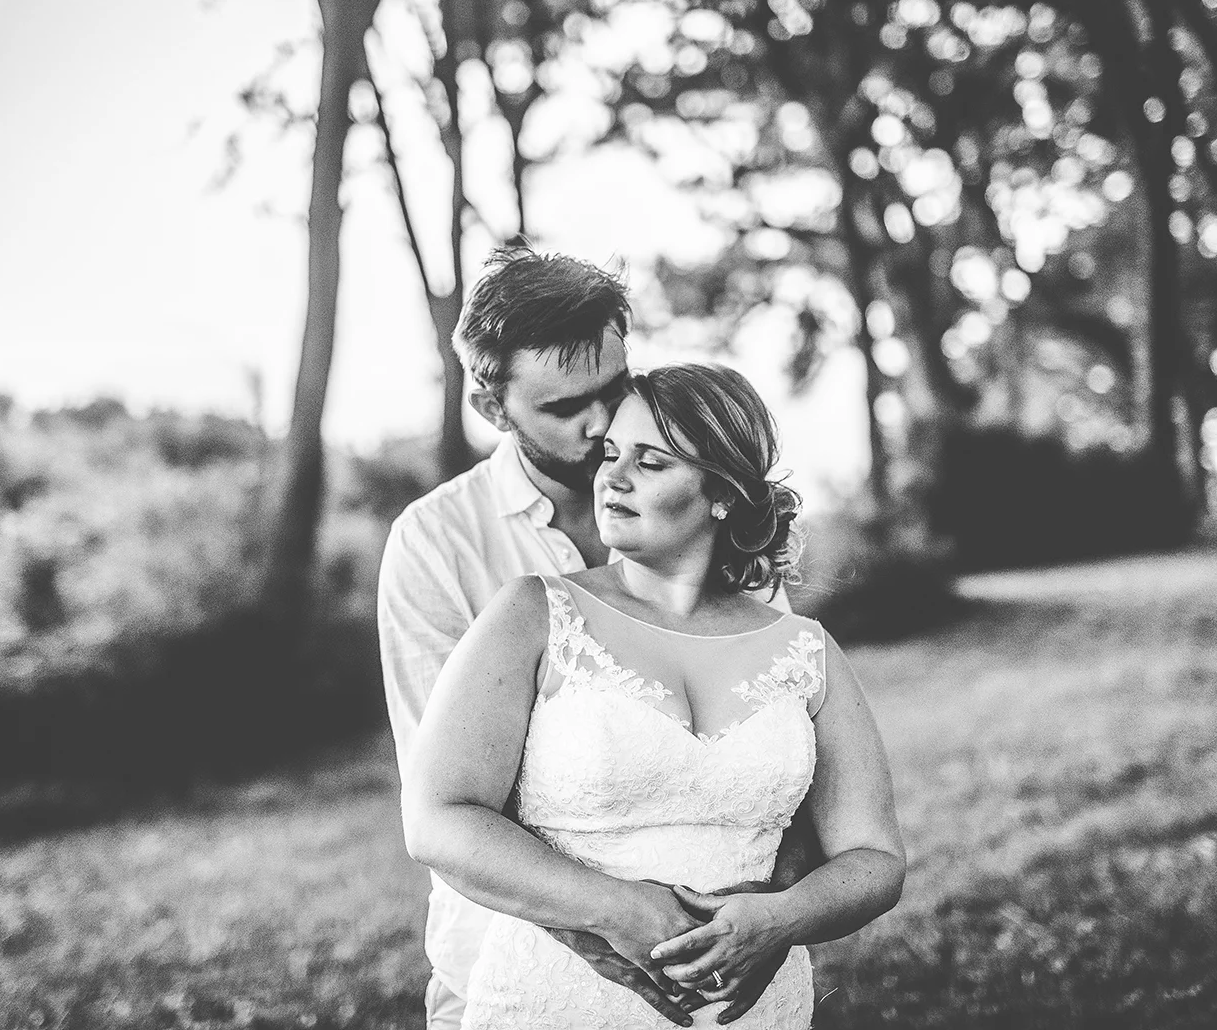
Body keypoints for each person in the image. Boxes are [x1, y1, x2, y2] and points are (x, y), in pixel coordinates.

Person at [403, 363, 907, 1029]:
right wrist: (619, 909)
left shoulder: (805, 650)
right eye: (610, 453)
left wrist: (781, 920)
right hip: (554, 1002)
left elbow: (874, 858)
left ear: (721, 492)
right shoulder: (532, 616)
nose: (612, 476)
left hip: (752, 1009)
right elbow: (438, 817)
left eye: (652, 461)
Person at [379, 247, 802, 1029]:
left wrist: (776, 916)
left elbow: (785, 739)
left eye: (614, 387)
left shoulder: (704, 505)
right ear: (491, 405)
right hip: (517, 972)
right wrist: (616, 928)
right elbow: (450, 807)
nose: (603, 423)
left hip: (727, 979)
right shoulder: (436, 546)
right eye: (566, 407)